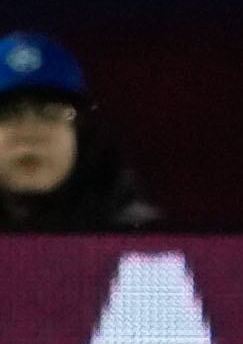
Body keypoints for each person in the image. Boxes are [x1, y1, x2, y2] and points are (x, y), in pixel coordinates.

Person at [0, 32, 157, 231]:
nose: (30, 133)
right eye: (7, 113)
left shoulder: (140, 242)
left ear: (82, 134)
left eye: (50, 113)